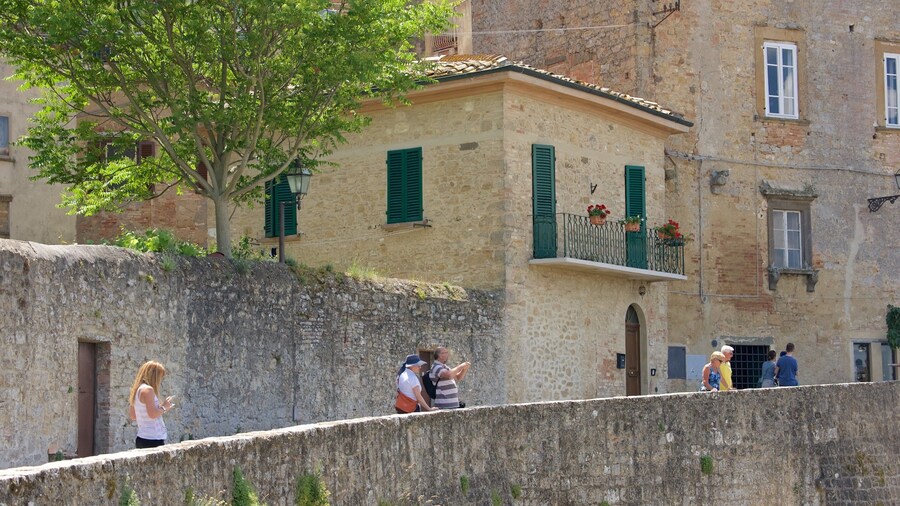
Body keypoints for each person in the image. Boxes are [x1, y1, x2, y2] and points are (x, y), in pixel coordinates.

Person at [128, 360, 175, 449]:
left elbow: (133, 415)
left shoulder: (137, 389)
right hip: (153, 438)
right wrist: (165, 407)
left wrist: (160, 407)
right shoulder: (148, 390)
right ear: (155, 376)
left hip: (142, 437)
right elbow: (152, 414)